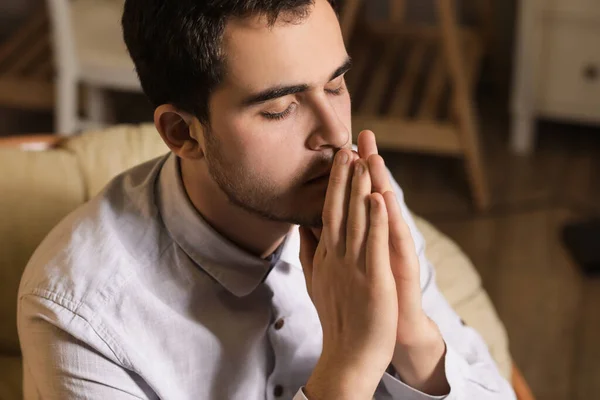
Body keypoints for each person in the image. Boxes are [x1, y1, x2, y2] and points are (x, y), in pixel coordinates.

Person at [17, 1, 516, 399]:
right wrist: (347, 371)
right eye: (280, 109)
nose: (337, 133)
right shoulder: (79, 318)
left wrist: (410, 336)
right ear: (182, 132)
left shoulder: (360, 200)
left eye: (337, 84)